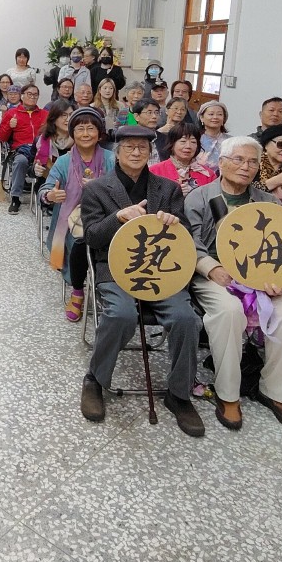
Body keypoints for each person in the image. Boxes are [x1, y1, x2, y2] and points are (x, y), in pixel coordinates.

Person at [79, 125, 206, 436]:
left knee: (186, 318)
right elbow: (92, 237)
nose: (136, 152)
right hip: (115, 267)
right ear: (117, 153)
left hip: (161, 268)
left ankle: (179, 394)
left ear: (151, 153)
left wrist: (175, 223)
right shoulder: (97, 189)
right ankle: (95, 379)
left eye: (142, 148)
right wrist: (118, 217)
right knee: (120, 314)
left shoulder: (168, 189)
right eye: (129, 147)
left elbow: (185, 235)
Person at [185, 136, 282, 432]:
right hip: (215, 275)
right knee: (228, 312)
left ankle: (277, 393)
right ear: (222, 163)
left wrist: (280, 278)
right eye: (238, 159)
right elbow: (190, 242)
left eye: (252, 161)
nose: (246, 167)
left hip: (261, 276)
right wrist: (211, 268)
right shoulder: (199, 197)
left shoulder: (268, 202)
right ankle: (227, 394)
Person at [38, 108, 115, 322]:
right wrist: (51, 195)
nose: (86, 134)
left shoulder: (111, 158)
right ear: (72, 133)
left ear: (99, 133)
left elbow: (123, 190)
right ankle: (78, 290)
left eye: (91, 128)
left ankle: (108, 285)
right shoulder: (64, 162)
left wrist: (100, 188)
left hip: (106, 215)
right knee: (79, 240)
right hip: (72, 219)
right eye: (80, 129)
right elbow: (45, 189)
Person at [0, 84, 48, 214]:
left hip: (41, 149)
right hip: (22, 150)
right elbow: (1, 137)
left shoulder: (45, 114)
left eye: (35, 95)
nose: (32, 97)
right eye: (29, 94)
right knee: (20, 161)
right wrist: (9, 126)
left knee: (51, 162)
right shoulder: (12, 113)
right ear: (22, 96)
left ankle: (46, 197)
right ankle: (15, 198)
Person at [149, 122, 215, 196]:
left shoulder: (208, 174)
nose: (188, 146)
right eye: (183, 141)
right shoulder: (154, 171)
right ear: (172, 144)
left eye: (193, 142)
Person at [33, 99, 75, 182]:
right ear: (54, 119)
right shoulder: (41, 140)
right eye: (64, 115)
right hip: (47, 184)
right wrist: (35, 169)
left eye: (71, 115)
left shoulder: (79, 141)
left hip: (73, 184)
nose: (68, 119)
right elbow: (30, 168)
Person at [197, 101, 229, 171]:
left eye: (219, 114)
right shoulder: (195, 138)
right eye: (211, 114)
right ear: (201, 117)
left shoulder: (230, 141)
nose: (215, 117)